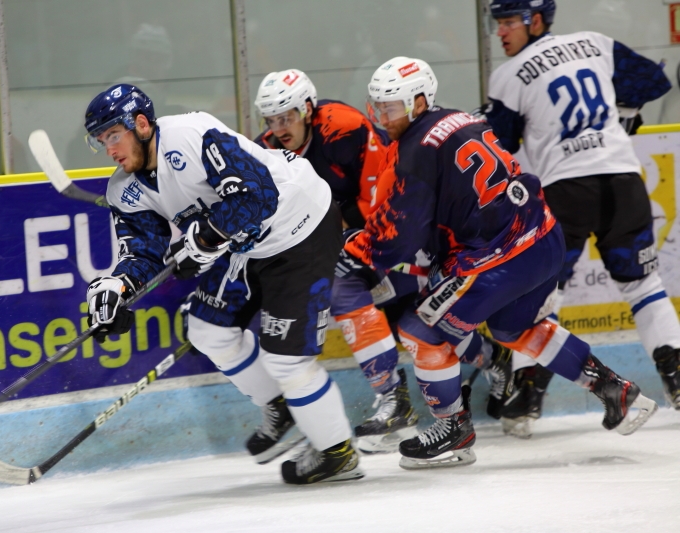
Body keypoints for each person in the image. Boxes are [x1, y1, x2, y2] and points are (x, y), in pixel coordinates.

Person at [339, 56, 657, 469]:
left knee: (420, 330)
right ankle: (616, 389)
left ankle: (453, 430)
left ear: (419, 102)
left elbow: (399, 233)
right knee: (513, 327)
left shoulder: (415, 149)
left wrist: (355, 250)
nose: (383, 117)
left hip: (501, 256)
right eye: (377, 107)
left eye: (392, 107)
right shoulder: (457, 118)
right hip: (542, 237)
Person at [82, 83, 362, 484]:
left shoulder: (192, 136)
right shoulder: (124, 189)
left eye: (113, 135)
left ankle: (338, 453)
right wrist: (117, 286)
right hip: (247, 245)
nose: (109, 148)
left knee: (286, 359)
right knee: (206, 329)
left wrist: (205, 237)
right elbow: (144, 253)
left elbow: (259, 197)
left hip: (300, 225)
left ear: (141, 124)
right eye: (101, 141)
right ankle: (278, 405)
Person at [484, 0, 680, 437]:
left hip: (566, 191)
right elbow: (654, 80)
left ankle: (527, 394)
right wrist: (624, 112)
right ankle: (678, 378)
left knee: (540, 292)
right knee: (643, 283)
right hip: (624, 181)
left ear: (535, 21)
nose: (501, 31)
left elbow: (497, 143)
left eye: (509, 21)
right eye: (497, 23)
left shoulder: (510, 75)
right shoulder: (594, 43)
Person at [253, 69, 422, 453]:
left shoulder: (346, 128)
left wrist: (323, 229)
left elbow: (379, 197)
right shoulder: (267, 149)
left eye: (288, 117)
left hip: (400, 219)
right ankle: (396, 399)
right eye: (272, 119)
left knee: (404, 308)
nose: (279, 128)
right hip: (350, 234)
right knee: (405, 315)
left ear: (308, 108)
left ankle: (397, 397)